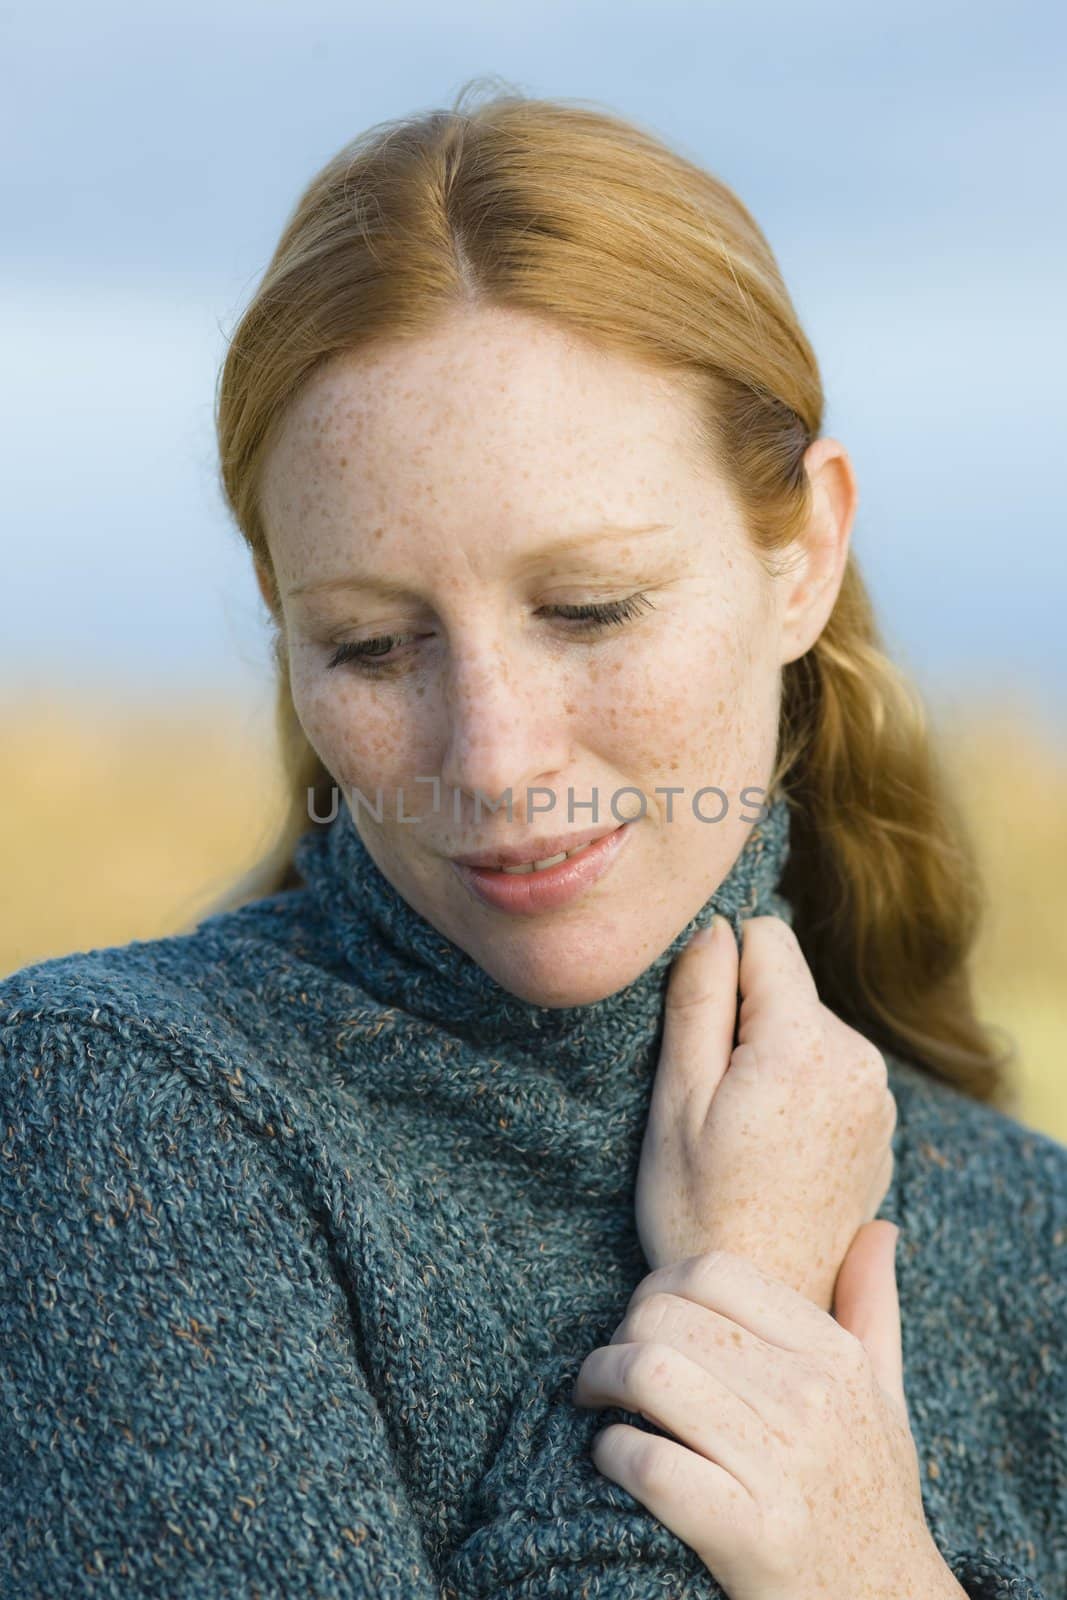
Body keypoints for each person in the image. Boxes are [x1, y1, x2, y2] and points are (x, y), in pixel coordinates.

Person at [1, 81, 1063, 1600]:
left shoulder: (1030, 1233)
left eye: (591, 610)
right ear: (280, 616)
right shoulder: (116, 1112)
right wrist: (734, 1295)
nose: (493, 758)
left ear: (804, 553)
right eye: (373, 646)